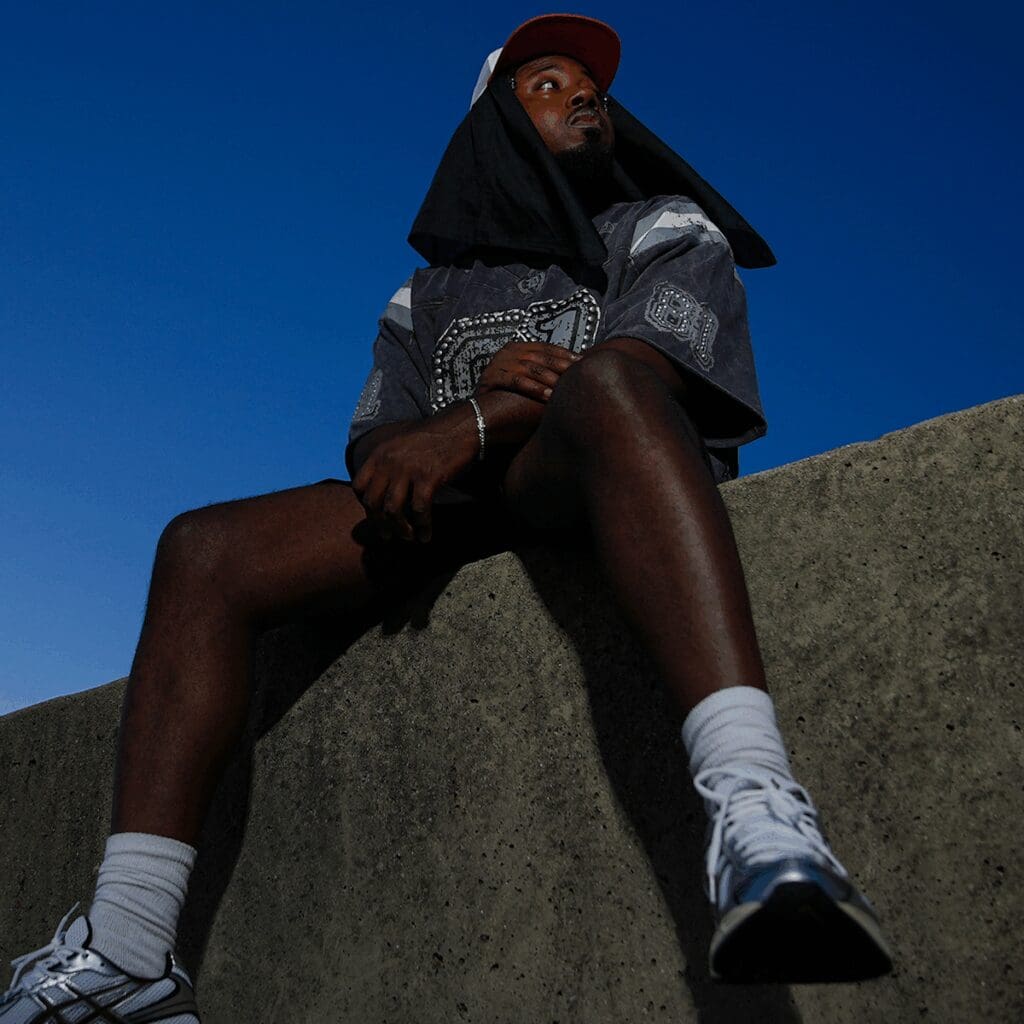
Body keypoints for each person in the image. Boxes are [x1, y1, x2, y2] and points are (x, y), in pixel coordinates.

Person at [1, 14, 892, 1022]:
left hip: (599, 481)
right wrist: (452, 427)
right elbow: (379, 455)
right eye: (547, 85)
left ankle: (757, 816)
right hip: (460, 508)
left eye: (587, 86)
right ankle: (129, 949)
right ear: (492, 130)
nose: (584, 96)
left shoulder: (663, 228)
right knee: (202, 548)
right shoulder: (422, 298)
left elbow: (641, 372)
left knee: (601, 386)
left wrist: (472, 415)